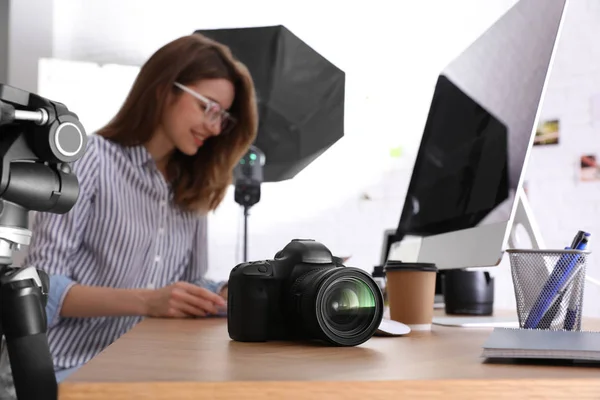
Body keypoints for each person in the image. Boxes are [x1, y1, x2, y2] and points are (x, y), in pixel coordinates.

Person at [20, 33, 258, 382]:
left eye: (222, 117)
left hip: (144, 371)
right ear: (164, 90)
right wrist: (148, 301)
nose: (214, 127)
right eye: (207, 107)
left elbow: (184, 285)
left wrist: (229, 290)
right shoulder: (91, 159)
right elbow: (39, 292)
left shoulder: (193, 188)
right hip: (64, 371)